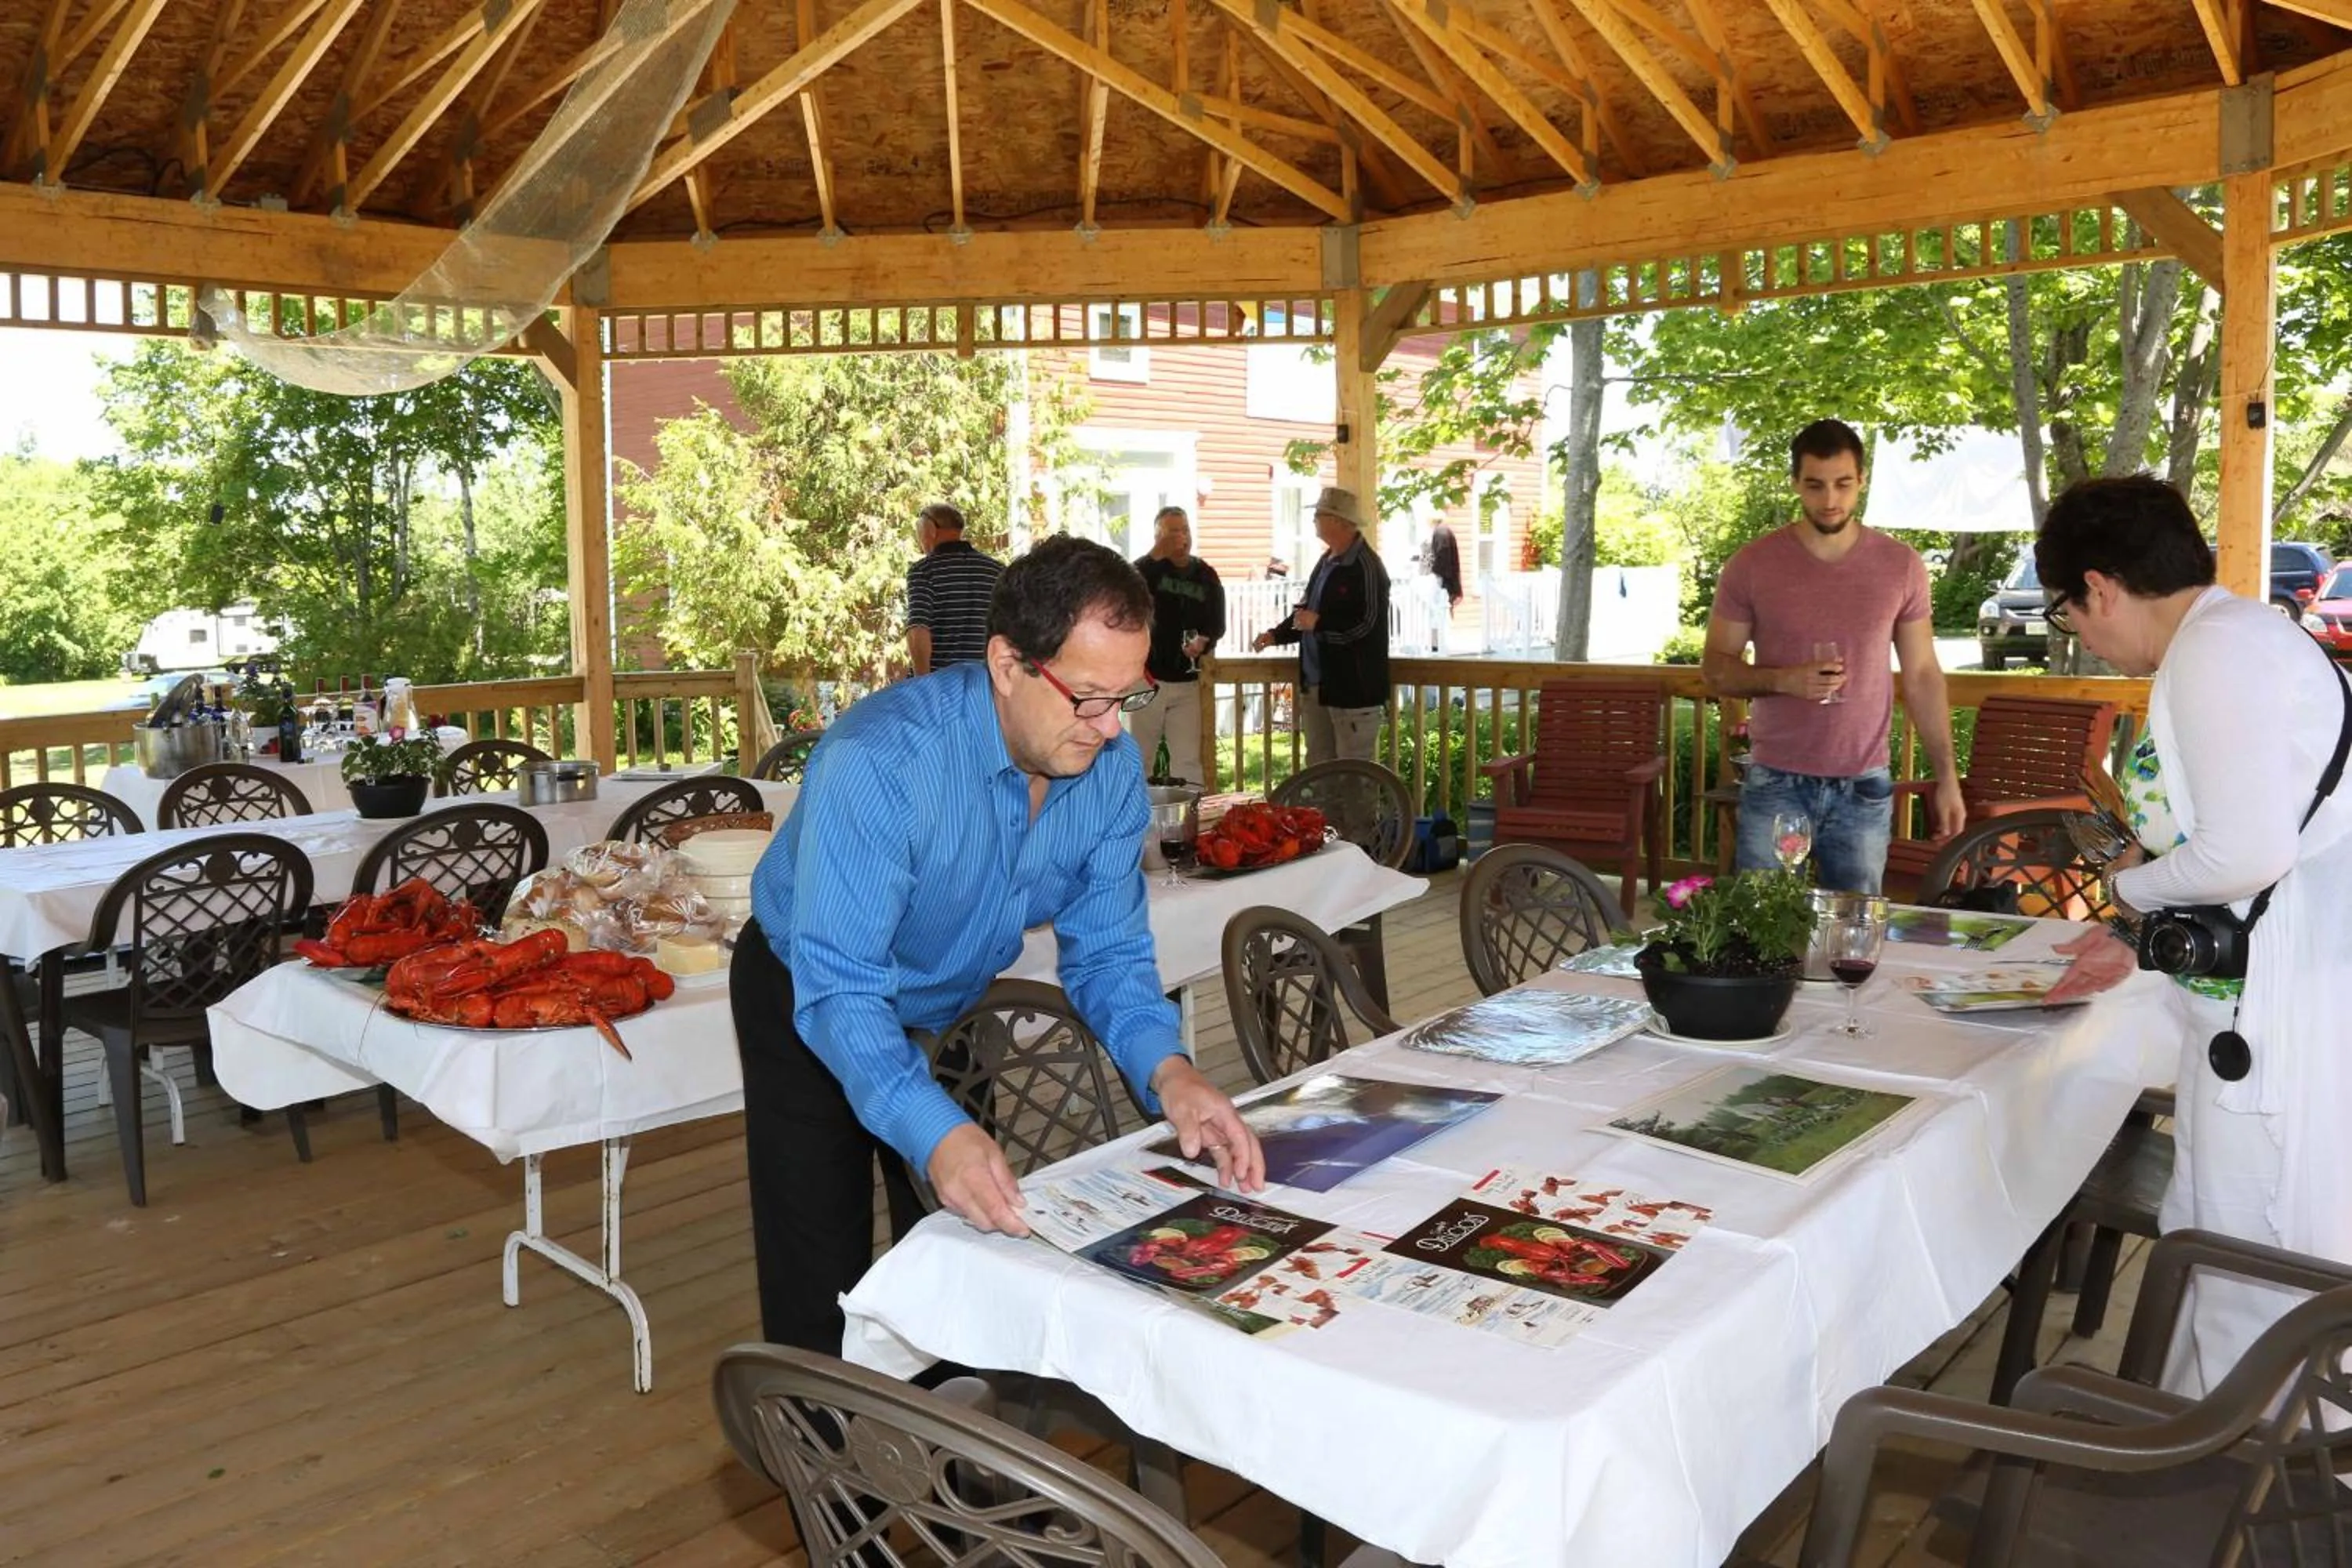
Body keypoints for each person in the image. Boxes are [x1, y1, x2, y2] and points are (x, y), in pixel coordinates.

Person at [732, 534, 1265, 1355]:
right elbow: (841, 988)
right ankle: (820, 1458)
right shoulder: (878, 761)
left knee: (967, 1234)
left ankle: (952, 1448)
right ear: (1007, 662)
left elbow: (1110, 956)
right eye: (1088, 697)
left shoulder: (1110, 768)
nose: (1111, 728)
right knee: (821, 1253)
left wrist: (1172, 1069)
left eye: (1129, 696)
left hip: (947, 993)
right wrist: (932, 1128)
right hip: (808, 988)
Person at [2034, 474, 2352, 1396]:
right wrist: (2140, 926)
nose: (2083, 638)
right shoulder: (2243, 634)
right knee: (2220, 1239)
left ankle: (2241, 1488)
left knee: (2242, 1252)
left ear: (2100, 586)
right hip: (2283, 979)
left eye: (2070, 614)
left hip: (2276, 1012)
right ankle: (2225, 1466)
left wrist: (2124, 888)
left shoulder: (2213, 652)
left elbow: (2244, 851)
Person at [1701, 419, 1965, 892]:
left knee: (1854, 939)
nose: (1830, 500)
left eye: (1843, 484)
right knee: (1761, 931)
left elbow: (1923, 673)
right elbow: (1716, 669)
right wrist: (1786, 681)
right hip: (1776, 780)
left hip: (1864, 785)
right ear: (1795, 484)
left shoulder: (1900, 565)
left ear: (1861, 481)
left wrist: (1947, 777)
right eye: (1815, 485)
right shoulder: (1752, 564)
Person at [1251, 486, 1391, 764]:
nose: (1314, 519)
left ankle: (1353, 813)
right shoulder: (1326, 561)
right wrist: (1275, 635)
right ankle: (1324, 812)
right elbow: (1306, 614)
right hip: (1318, 685)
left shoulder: (1367, 566)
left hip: (1353, 690)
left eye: (1319, 514)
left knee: (1355, 776)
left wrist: (1321, 624)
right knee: (1320, 768)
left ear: (1338, 521)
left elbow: (1367, 626)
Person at [1128, 505, 1225, 784]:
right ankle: (1137, 822)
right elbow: (1123, 588)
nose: (1181, 537)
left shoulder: (1205, 574)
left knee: (1187, 761)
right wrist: (1157, 554)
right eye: (1173, 532)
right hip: (1147, 680)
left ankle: (1190, 819)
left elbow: (1217, 624)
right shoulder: (1148, 571)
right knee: (1139, 757)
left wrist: (1205, 641)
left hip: (1188, 682)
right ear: (1158, 537)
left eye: (1185, 530)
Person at [902, 501, 1004, 675]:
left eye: (919, 531)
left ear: (930, 531)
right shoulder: (997, 571)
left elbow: (918, 629)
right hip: (987, 685)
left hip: (942, 685)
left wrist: (923, 683)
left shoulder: (924, 571)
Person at [1423, 520, 1465, 654]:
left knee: (1436, 615)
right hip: (1444, 581)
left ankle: (1438, 646)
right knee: (1438, 615)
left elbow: (1443, 559)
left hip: (1441, 582)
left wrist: (1434, 573)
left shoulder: (1441, 533)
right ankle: (1437, 645)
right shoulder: (1444, 531)